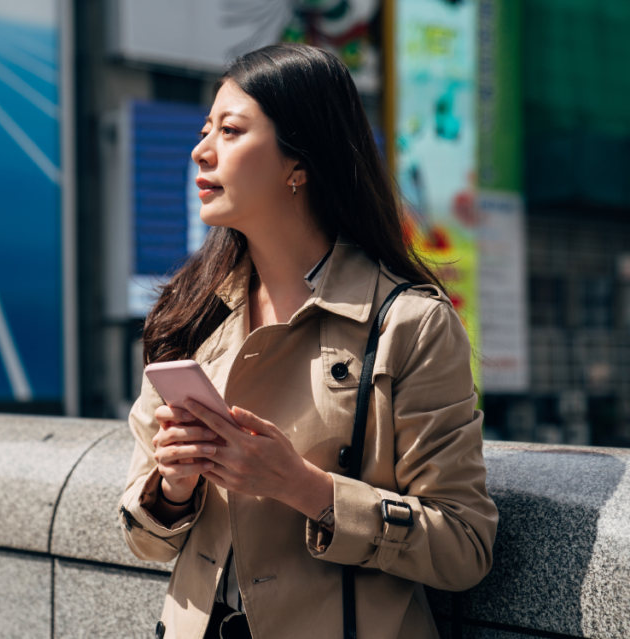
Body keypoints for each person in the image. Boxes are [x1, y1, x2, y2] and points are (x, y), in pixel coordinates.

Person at [119, 44, 497, 639]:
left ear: (300, 162)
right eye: (204, 129)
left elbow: (464, 545)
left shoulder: (409, 323)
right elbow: (144, 539)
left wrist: (302, 487)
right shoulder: (189, 315)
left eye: (231, 129)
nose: (201, 149)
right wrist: (174, 485)